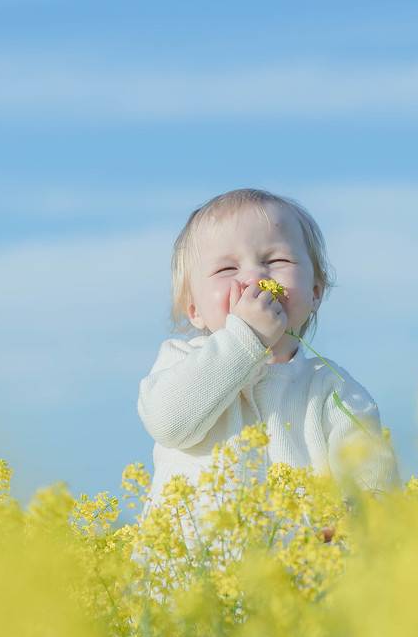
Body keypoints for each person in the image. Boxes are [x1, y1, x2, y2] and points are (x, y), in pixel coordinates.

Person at [136, 188, 400, 524]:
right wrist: (246, 337)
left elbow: (372, 475)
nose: (254, 277)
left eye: (277, 261)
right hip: (194, 557)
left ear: (315, 293)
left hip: (298, 557)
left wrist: (361, 517)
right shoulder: (180, 360)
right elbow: (168, 423)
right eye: (226, 268)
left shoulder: (332, 388)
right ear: (194, 310)